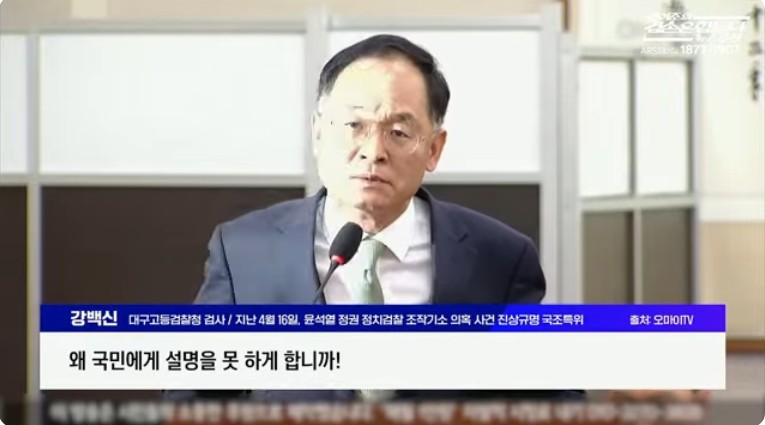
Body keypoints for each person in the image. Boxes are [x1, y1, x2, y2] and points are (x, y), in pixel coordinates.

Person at [175, 34, 584, 402]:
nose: (374, 151)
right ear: (318, 133)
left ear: (434, 149)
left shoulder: (500, 258)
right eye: (355, 125)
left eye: (399, 132)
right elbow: (192, 395)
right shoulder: (244, 252)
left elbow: (554, 398)